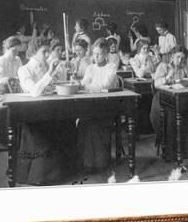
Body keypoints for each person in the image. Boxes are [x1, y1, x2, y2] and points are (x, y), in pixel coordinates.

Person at [15, 38, 77, 185]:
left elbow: (53, 88)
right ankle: (42, 175)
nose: (48, 54)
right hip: (32, 115)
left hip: (49, 111)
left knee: (69, 123)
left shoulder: (45, 67)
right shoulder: (24, 70)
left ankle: (67, 170)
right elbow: (35, 91)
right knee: (44, 132)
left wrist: (60, 74)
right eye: (44, 51)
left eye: (49, 51)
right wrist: (49, 73)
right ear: (33, 52)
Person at [149, 46, 188, 160]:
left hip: (179, 99)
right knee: (171, 113)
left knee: (187, 112)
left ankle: (187, 151)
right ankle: (171, 152)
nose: (180, 60)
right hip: (162, 99)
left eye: (183, 58)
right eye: (178, 57)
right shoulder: (164, 66)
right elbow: (156, 84)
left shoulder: (185, 69)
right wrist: (169, 76)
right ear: (172, 57)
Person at [77, 38, 119, 172]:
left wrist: (87, 87)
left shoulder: (111, 67)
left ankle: (99, 163)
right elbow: (84, 82)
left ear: (106, 54)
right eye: (94, 54)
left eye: (99, 54)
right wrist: (79, 84)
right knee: (83, 122)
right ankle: (86, 162)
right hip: (92, 104)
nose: (95, 57)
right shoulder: (90, 68)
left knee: (93, 124)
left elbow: (104, 85)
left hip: (107, 105)